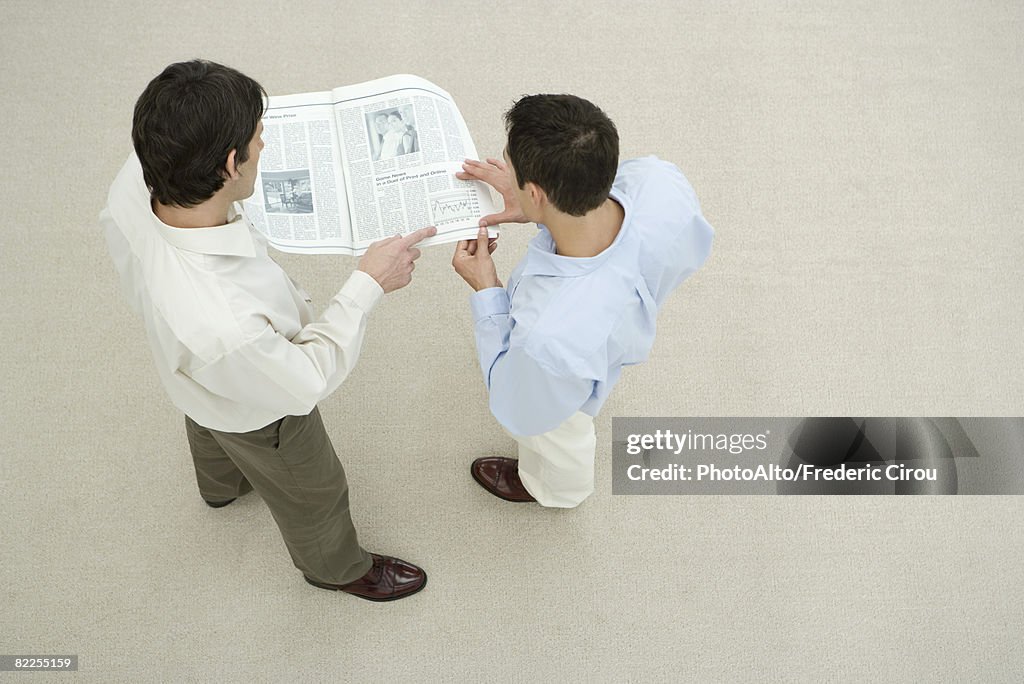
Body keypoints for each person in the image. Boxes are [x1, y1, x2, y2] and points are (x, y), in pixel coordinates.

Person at [100, 60, 435, 601]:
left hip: (190, 375)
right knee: (315, 491)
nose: (265, 148)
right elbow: (305, 380)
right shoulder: (226, 324)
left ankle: (221, 488)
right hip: (262, 410)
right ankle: (335, 568)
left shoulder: (134, 182)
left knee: (208, 419)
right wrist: (368, 283)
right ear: (231, 164)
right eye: (259, 141)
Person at [452, 94, 714, 508]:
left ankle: (555, 493)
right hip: (608, 328)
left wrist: (487, 292)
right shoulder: (659, 180)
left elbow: (517, 406)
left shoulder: (547, 338)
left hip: (563, 378)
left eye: (512, 171)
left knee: (560, 439)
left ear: (536, 192)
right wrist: (535, 207)